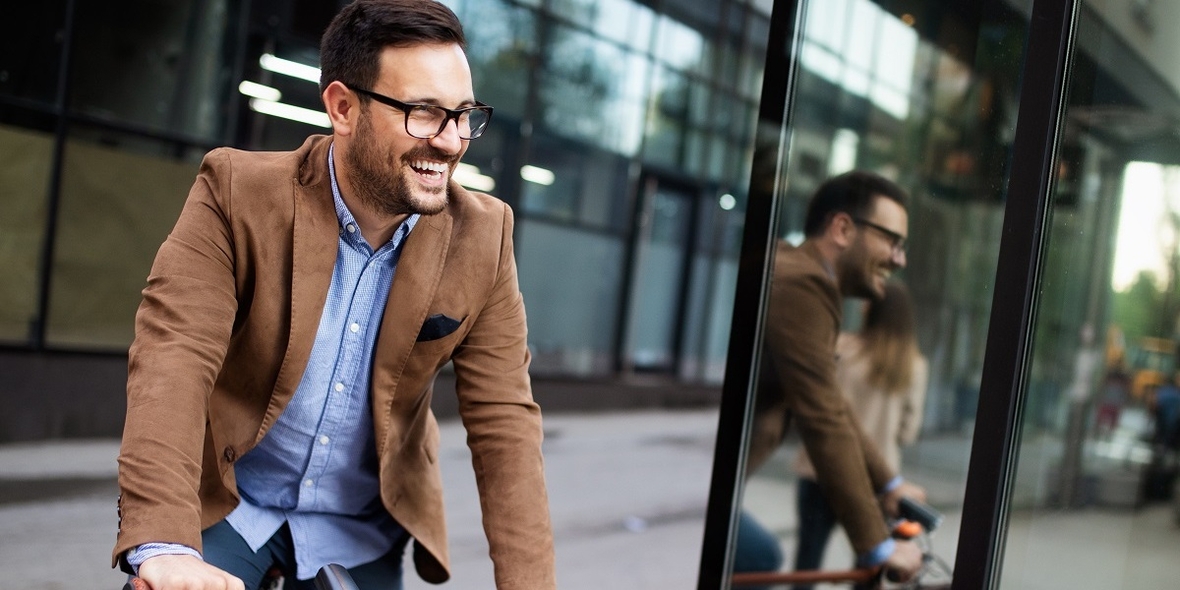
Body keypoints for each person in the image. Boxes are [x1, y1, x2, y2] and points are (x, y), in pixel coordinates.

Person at [110, 2, 555, 589]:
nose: (450, 142)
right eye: (424, 113)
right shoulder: (236, 193)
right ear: (343, 108)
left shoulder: (484, 235)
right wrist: (165, 548)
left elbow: (505, 425)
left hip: (359, 528)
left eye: (464, 115)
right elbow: (174, 358)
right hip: (230, 504)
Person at [744, 170, 927, 582]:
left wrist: (889, 484)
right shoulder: (802, 287)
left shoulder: (804, 280)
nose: (900, 259)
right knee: (759, 557)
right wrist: (877, 544)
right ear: (842, 228)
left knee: (785, 555)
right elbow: (824, 416)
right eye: (892, 241)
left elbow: (834, 404)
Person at [791, 281, 928, 586]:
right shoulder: (914, 367)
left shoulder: (840, 347)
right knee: (869, 572)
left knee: (807, 564)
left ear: (873, 309)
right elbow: (908, 432)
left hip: (820, 470)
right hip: (878, 484)